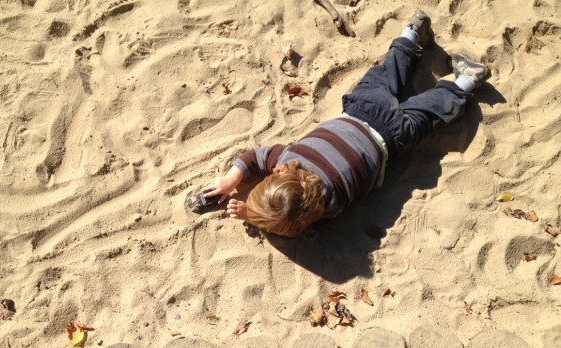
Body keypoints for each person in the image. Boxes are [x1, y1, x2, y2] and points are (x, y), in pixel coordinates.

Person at [202, 10, 489, 237]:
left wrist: (253, 217)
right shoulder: (289, 158)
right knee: (389, 74)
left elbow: (300, 226)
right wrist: (231, 180)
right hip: (363, 109)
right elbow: (252, 157)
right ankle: (412, 32)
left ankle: (467, 80)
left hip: (392, 140)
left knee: (428, 112)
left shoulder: (331, 206)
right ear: (277, 171)